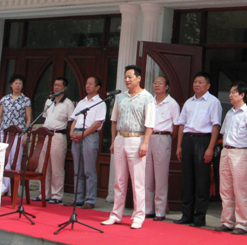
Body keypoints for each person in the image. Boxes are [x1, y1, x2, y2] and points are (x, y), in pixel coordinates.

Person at [101, 65, 155, 229]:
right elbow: (114, 121)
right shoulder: (120, 97)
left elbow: (150, 124)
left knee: (137, 181)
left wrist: (145, 143)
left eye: (130, 77)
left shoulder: (147, 98)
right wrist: (113, 141)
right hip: (120, 138)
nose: (127, 80)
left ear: (139, 78)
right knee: (119, 179)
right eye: (125, 77)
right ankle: (115, 214)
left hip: (137, 139)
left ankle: (138, 216)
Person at [174, 71, 222, 228]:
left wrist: (210, 148)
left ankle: (199, 217)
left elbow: (216, 126)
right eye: (195, 82)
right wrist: (179, 145)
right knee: (187, 179)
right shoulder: (189, 102)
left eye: (200, 82)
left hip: (203, 140)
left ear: (208, 85)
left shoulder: (213, 102)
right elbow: (182, 124)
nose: (197, 84)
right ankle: (186, 215)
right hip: (188, 140)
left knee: (202, 181)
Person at [214, 81, 247, 235]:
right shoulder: (229, 113)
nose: (230, 95)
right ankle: (227, 221)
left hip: (241, 152)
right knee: (225, 189)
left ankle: (242, 223)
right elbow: (223, 133)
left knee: (240, 189)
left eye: (234, 92)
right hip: (226, 151)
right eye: (230, 92)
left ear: (242, 95)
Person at [66, 76, 106, 208]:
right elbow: (74, 119)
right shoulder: (81, 103)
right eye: (86, 83)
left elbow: (97, 123)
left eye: (90, 84)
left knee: (89, 170)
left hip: (89, 135)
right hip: (77, 134)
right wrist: (72, 133)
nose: (87, 86)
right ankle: (77, 198)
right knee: (77, 169)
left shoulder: (100, 103)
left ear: (97, 87)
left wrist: (83, 134)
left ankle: (90, 200)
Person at [32, 77, 74, 204]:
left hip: (58, 135)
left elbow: (71, 121)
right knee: (43, 165)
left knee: (57, 167)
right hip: (46, 134)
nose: (56, 87)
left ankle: (57, 195)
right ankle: (43, 193)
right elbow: (45, 118)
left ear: (64, 88)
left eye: (59, 85)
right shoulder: (49, 101)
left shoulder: (68, 103)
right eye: (55, 85)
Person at [145, 75, 180, 221]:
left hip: (163, 137)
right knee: (147, 176)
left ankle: (160, 211)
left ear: (166, 87)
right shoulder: (149, 102)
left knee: (160, 176)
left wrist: (168, 138)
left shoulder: (172, 103)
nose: (156, 85)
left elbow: (176, 125)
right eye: (155, 83)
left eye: (160, 83)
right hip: (148, 138)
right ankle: (148, 209)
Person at [0, 73, 33, 196]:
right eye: (15, 83)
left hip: (18, 134)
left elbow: (28, 118)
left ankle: (14, 188)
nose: (17, 85)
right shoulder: (4, 99)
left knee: (15, 159)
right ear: (11, 85)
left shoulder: (25, 100)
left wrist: (26, 134)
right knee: (5, 159)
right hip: (5, 133)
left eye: (20, 83)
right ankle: (4, 187)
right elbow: (0, 116)